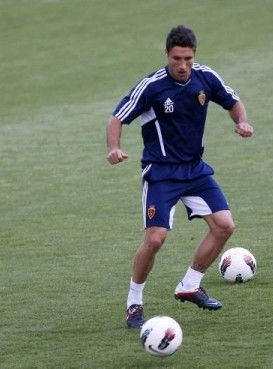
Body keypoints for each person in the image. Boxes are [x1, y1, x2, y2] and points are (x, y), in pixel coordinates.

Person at [106, 25, 253, 328]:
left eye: (188, 58)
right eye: (177, 59)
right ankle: (134, 304)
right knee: (156, 238)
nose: (183, 65)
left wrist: (242, 121)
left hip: (194, 169)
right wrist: (114, 148)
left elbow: (233, 101)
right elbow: (118, 117)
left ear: (194, 55)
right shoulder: (152, 86)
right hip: (161, 174)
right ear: (167, 55)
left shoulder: (206, 77)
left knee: (225, 226)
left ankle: (190, 285)